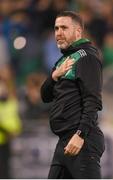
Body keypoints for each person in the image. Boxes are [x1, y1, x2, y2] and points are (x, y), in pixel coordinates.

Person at [41, 11, 105, 179]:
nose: (58, 33)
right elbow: (45, 96)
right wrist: (54, 76)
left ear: (78, 32)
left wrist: (80, 135)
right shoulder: (64, 60)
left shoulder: (87, 57)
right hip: (64, 142)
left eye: (64, 28)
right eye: (56, 28)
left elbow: (93, 100)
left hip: (82, 141)